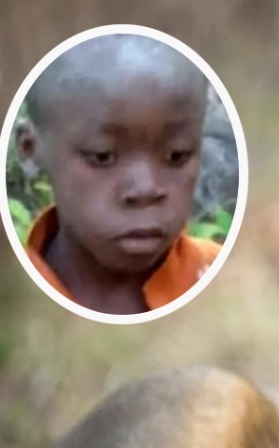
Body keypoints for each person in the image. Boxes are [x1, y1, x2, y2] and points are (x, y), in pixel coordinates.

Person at [15, 33, 220, 315]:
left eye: (176, 156)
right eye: (102, 156)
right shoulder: (8, 300)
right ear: (29, 150)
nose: (146, 189)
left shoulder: (225, 279)